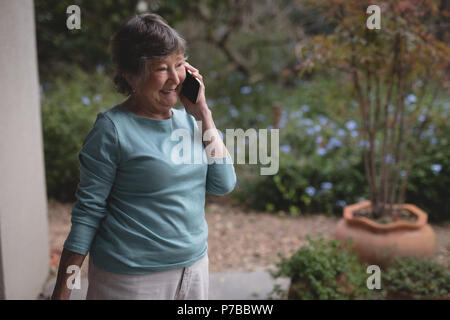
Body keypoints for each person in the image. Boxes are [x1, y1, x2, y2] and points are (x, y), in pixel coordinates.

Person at [51, 13, 236, 300]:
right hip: (131, 281)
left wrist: (203, 114)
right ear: (130, 75)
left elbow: (223, 184)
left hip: (194, 269)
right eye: (162, 68)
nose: (175, 79)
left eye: (179, 64)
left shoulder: (191, 121)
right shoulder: (111, 130)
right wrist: (62, 293)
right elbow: (88, 214)